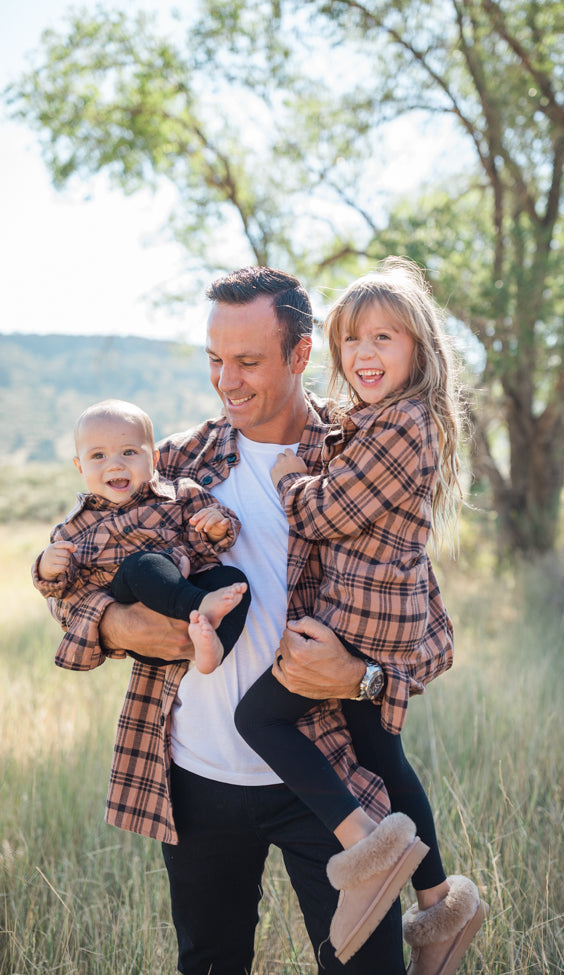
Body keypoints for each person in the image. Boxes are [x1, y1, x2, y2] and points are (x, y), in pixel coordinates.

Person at [44, 266, 454, 975]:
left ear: (300, 356)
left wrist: (361, 676)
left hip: (327, 779)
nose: (226, 380)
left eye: (248, 361)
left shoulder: (362, 457)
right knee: (209, 962)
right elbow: (71, 564)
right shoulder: (172, 462)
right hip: (196, 782)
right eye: (214, 359)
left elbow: (423, 634)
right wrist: (112, 626)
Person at [234, 258, 488, 971]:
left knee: (260, 718)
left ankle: (367, 853)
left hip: (364, 618)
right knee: (380, 752)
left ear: (420, 349)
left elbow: (325, 511)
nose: (365, 354)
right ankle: (440, 904)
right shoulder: (383, 420)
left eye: (386, 338)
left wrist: (289, 474)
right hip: (378, 610)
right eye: (353, 340)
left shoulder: (404, 424)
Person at [32, 399, 250, 673]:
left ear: (154, 459)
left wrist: (216, 527)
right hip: (138, 615)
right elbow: (64, 591)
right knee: (142, 564)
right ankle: (201, 606)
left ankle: (213, 648)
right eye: (98, 456)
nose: (115, 465)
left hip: (188, 590)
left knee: (233, 581)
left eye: (129, 452)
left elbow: (207, 540)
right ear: (79, 467)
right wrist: (47, 569)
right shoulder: (74, 528)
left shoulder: (179, 494)